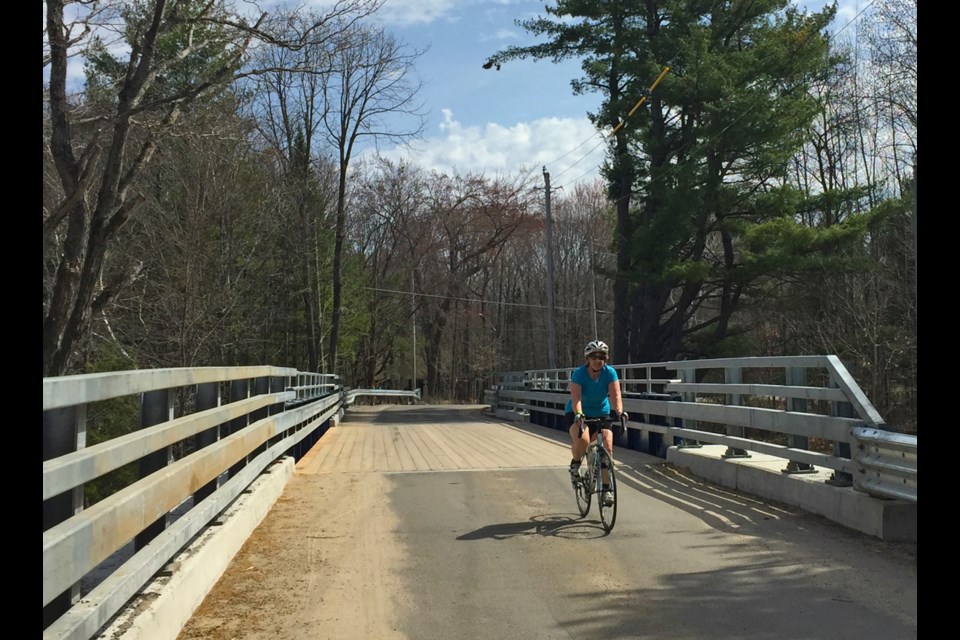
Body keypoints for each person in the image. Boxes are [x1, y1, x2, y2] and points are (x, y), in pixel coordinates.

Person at [565, 340, 629, 507]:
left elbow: (616, 395)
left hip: (602, 413)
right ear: (588, 358)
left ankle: (606, 490)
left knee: (607, 447)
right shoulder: (579, 374)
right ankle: (576, 462)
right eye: (594, 356)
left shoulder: (610, 373)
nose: (598, 360)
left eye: (602, 356)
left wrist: (619, 412)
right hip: (579, 412)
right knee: (583, 440)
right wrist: (579, 414)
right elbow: (576, 398)